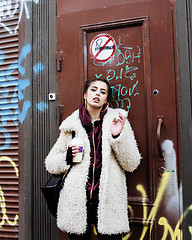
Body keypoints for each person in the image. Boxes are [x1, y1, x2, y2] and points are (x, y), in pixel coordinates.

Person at [45, 78, 141, 240]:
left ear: (106, 99)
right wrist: (67, 158)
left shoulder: (118, 121)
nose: (97, 94)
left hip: (108, 203)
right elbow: (51, 163)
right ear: (85, 95)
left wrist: (117, 136)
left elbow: (131, 163)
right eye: (93, 90)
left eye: (103, 92)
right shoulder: (71, 126)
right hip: (77, 203)